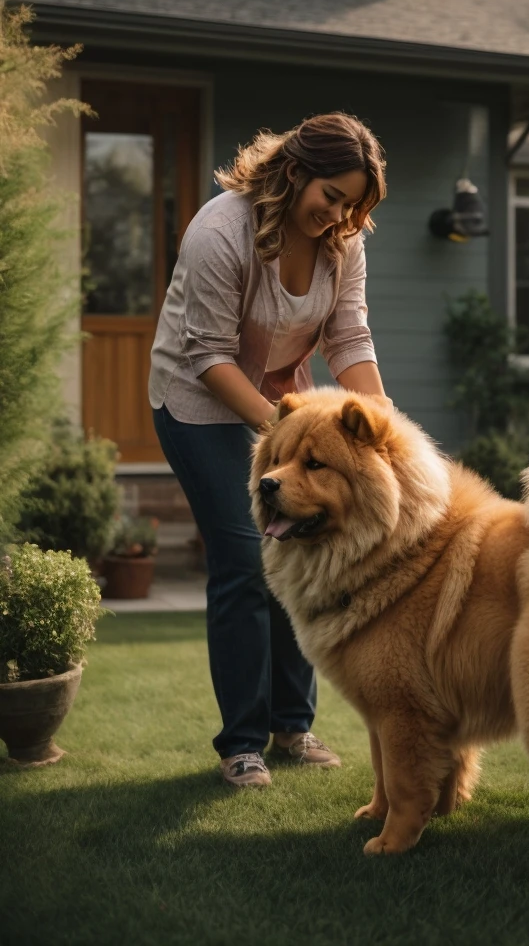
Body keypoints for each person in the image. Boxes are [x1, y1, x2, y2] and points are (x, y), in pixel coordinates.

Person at [148, 112, 387, 788]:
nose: (338, 214)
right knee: (245, 559)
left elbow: (349, 339)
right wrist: (284, 431)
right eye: (331, 196)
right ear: (294, 171)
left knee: (299, 550)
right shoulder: (219, 232)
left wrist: (379, 424)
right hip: (199, 405)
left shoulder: (342, 242)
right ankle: (243, 743)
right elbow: (209, 358)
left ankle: (293, 725)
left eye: (352, 204)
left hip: (284, 408)